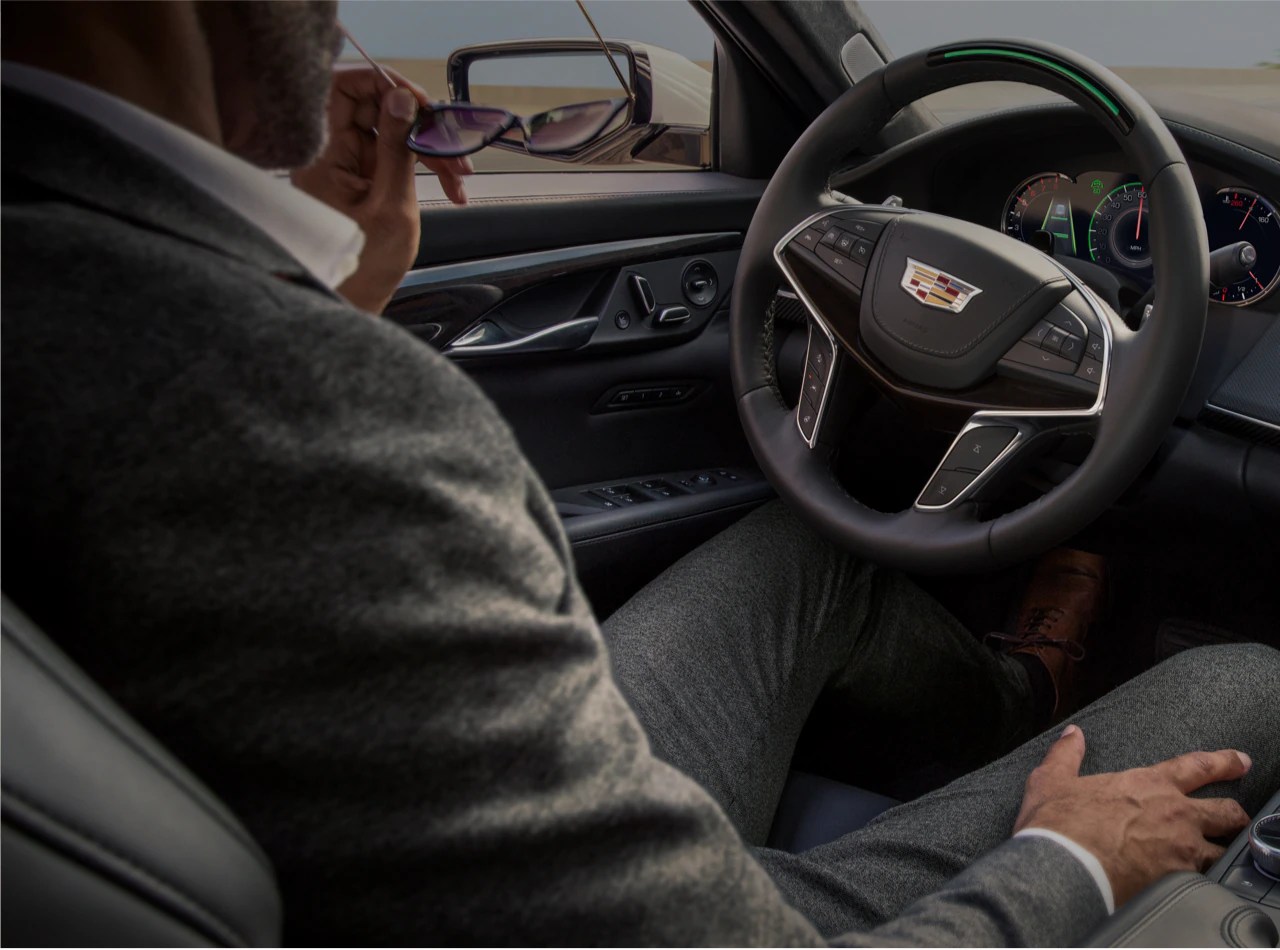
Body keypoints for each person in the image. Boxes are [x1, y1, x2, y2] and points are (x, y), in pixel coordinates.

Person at [2, 2, 1277, 945]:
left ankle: (1017, 687)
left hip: (412, 858)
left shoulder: (85, 298)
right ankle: (1039, 725)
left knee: (808, 551)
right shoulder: (263, 399)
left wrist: (335, 298)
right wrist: (1063, 861)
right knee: (1244, 676)